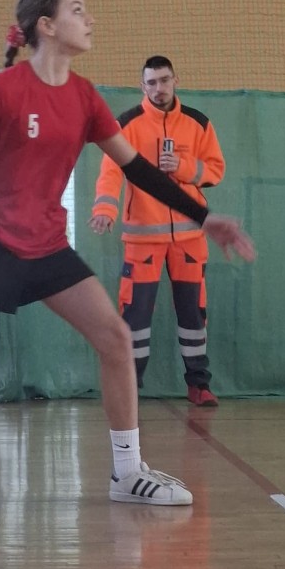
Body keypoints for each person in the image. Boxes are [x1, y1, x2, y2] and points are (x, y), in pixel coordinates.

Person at [0, 0, 255, 510]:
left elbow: (136, 169)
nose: (90, 20)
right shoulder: (2, 91)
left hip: (45, 242)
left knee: (115, 338)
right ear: (46, 25)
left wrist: (204, 217)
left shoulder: (84, 97)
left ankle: (127, 473)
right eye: (78, 10)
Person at [89, 56, 225, 406]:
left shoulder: (198, 123)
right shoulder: (126, 124)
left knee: (194, 314)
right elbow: (110, 172)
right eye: (152, 82)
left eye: (164, 80)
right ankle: (130, 390)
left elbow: (215, 170)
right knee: (135, 317)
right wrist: (105, 209)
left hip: (190, 238)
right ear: (142, 86)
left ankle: (199, 385)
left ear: (175, 80)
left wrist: (183, 167)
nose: (159, 88)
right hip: (142, 238)